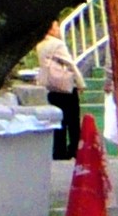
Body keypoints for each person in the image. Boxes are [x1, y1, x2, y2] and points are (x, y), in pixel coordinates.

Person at [35, 32, 83, 161]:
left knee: (57, 120)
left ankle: (58, 151)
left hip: (50, 86)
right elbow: (70, 63)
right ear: (51, 28)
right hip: (64, 86)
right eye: (56, 25)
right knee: (72, 119)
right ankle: (74, 149)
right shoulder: (57, 44)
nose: (59, 29)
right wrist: (80, 82)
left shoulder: (40, 45)